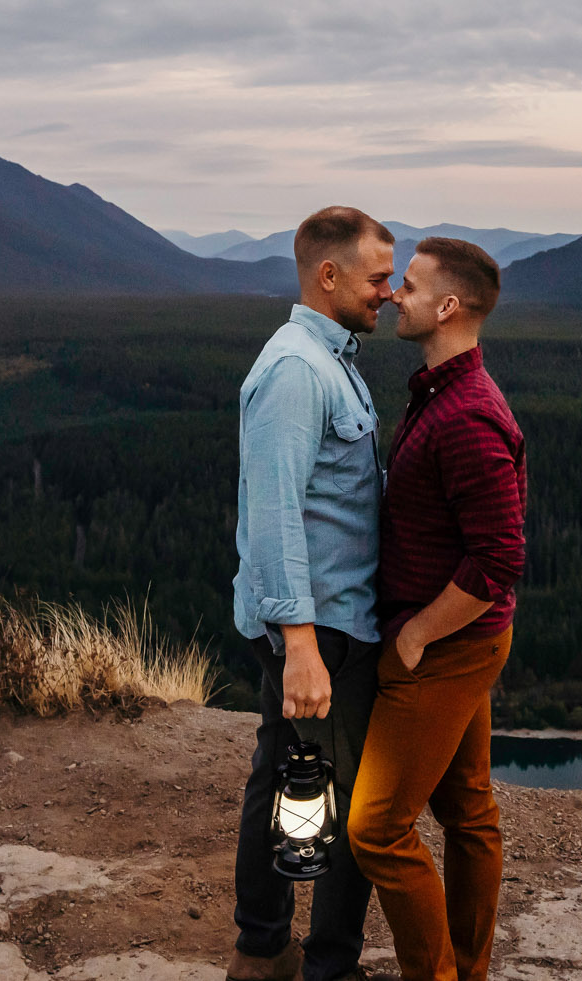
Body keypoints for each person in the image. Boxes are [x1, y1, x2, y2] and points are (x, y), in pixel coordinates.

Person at [348, 238, 526, 981]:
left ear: (449, 307)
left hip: (448, 644)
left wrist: (416, 634)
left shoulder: (466, 416)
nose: (395, 294)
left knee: (377, 828)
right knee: (469, 811)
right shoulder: (439, 391)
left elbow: (500, 559)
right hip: (466, 639)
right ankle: (471, 969)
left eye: (411, 286)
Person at [227, 206, 398, 981]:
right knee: (353, 796)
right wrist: (301, 644)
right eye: (376, 277)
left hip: (327, 622)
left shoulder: (332, 355)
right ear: (327, 275)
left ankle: (262, 949)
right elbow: (274, 515)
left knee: (281, 769)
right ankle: (329, 965)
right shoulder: (299, 369)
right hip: (321, 628)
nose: (388, 294)